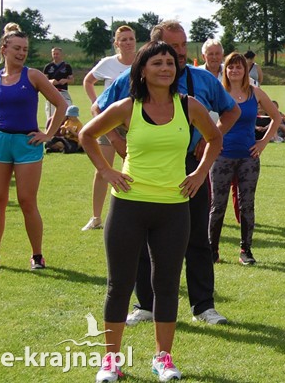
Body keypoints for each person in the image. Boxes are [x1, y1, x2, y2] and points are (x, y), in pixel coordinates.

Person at [79, 40, 223, 383]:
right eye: (157, 63)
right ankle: (110, 361)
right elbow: (86, 134)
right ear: (142, 70)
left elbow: (214, 138)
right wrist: (106, 171)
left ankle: (163, 358)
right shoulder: (127, 106)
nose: (165, 68)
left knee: (167, 284)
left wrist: (200, 172)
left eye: (171, 63)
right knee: (120, 284)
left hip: (173, 208)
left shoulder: (189, 105)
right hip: (128, 206)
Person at [96, 20, 239, 327]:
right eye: (173, 47)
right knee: (142, 241)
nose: (180, 53)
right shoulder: (129, 78)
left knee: (198, 237)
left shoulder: (201, 80)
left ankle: (203, 306)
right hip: (143, 169)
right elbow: (99, 110)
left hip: (188, 168)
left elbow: (231, 110)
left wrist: (206, 139)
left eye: (183, 45)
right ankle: (146, 305)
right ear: (154, 49)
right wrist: (118, 141)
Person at [0, 24, 68, 270]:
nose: (22, 53)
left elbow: (60, 105)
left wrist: (48, 134)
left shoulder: (33, 75)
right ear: (4, 49)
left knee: (26, 200)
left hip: (27, 143)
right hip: (0, 143)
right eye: (17, 48)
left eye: (25, 49)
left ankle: (37, 256)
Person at [209, 52, 279, 266]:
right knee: (217, 206)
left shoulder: (255, 93)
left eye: (239, 67)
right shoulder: (219, 92)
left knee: (247, 205)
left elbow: (276, 118)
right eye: (231, 67)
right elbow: (203, 117)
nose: (235, 70)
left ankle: (245, 250)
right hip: (221, 156)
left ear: (245, 70)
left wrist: (263, 142)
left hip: (248, 158)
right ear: (225, 70)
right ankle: (212, 250)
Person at [82, 25, 137, 230]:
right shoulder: (108, 63)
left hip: (134, 122)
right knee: (102, 169)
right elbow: (88, 81)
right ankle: (96, 217)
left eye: (130, 39)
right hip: (109, 122)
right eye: (123, 39)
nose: (127, 42)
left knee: (132, 169)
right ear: (116, 43)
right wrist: (96, 103)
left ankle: (131, 216)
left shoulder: (143, 60)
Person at [42, 46, 74, 119]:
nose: (55, 55)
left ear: (61, 55)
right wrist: (51, 81)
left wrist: (66, 80)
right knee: (51, 116)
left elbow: (72, 80)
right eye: (54, 54)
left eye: (57, 54)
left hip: (63, 92)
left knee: (67, 114)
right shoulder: (48, 67)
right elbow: (44, 81)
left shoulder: (67, 66)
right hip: (52, 92)